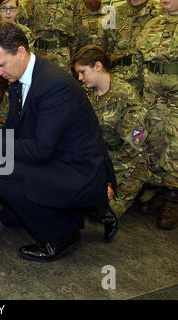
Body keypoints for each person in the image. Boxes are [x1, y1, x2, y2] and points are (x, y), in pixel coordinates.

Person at [0, 22, 116, 262]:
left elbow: (42, 149)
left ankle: (61, 236)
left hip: (80, 171)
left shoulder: (54, 84)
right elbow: (13, 130)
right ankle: (74, 211)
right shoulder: (22, 78)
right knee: (9, 215)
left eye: (1, 65)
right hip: (58, 159)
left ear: (20, 52)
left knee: (0, 171)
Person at [72, 45, 150, 239]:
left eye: (83, 72)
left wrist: (108, 179)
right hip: (96, 155)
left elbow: (135, 145)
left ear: (98, 66)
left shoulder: (127, 95)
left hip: (127, 160)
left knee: (105, 207)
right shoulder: (86, 94)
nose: (80, 78)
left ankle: (113, 208)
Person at [132, 0, 178, 229]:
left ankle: (173, 198)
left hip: (177, 98)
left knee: (174, 147)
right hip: (153, 97)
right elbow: (140, 61)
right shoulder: (152, 25)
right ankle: (160, 189)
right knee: (153, 141)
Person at [107, 0, 162, 93]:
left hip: (150, 79)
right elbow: (108, 48)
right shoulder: (115, 13)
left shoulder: (161, 11)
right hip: (121, 77)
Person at [29, 0, 82, 73]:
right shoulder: (33, 1)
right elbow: (29, 28)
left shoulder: (73, 2)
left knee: (62, 82)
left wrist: (71, 54)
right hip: (39, 54)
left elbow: (77, 32)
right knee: (40, 82)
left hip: (62, 56)